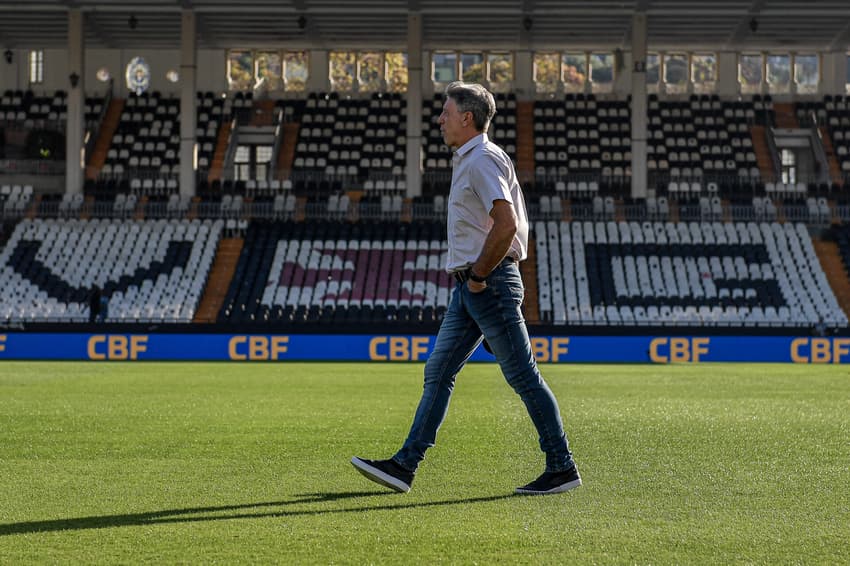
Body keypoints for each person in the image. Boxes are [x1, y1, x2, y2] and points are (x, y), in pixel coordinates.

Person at [352, 81, 580, 496]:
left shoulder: (481, 160)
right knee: (438, 371)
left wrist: (476, 277)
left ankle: (562, 466)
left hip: (486, 283)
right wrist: (470, 278)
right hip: (473, 285)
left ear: (467, 118)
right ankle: (404, 465)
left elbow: (506, 223)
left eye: (446, 112)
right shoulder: (473, 159)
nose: (440, 119)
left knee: (523, 377)